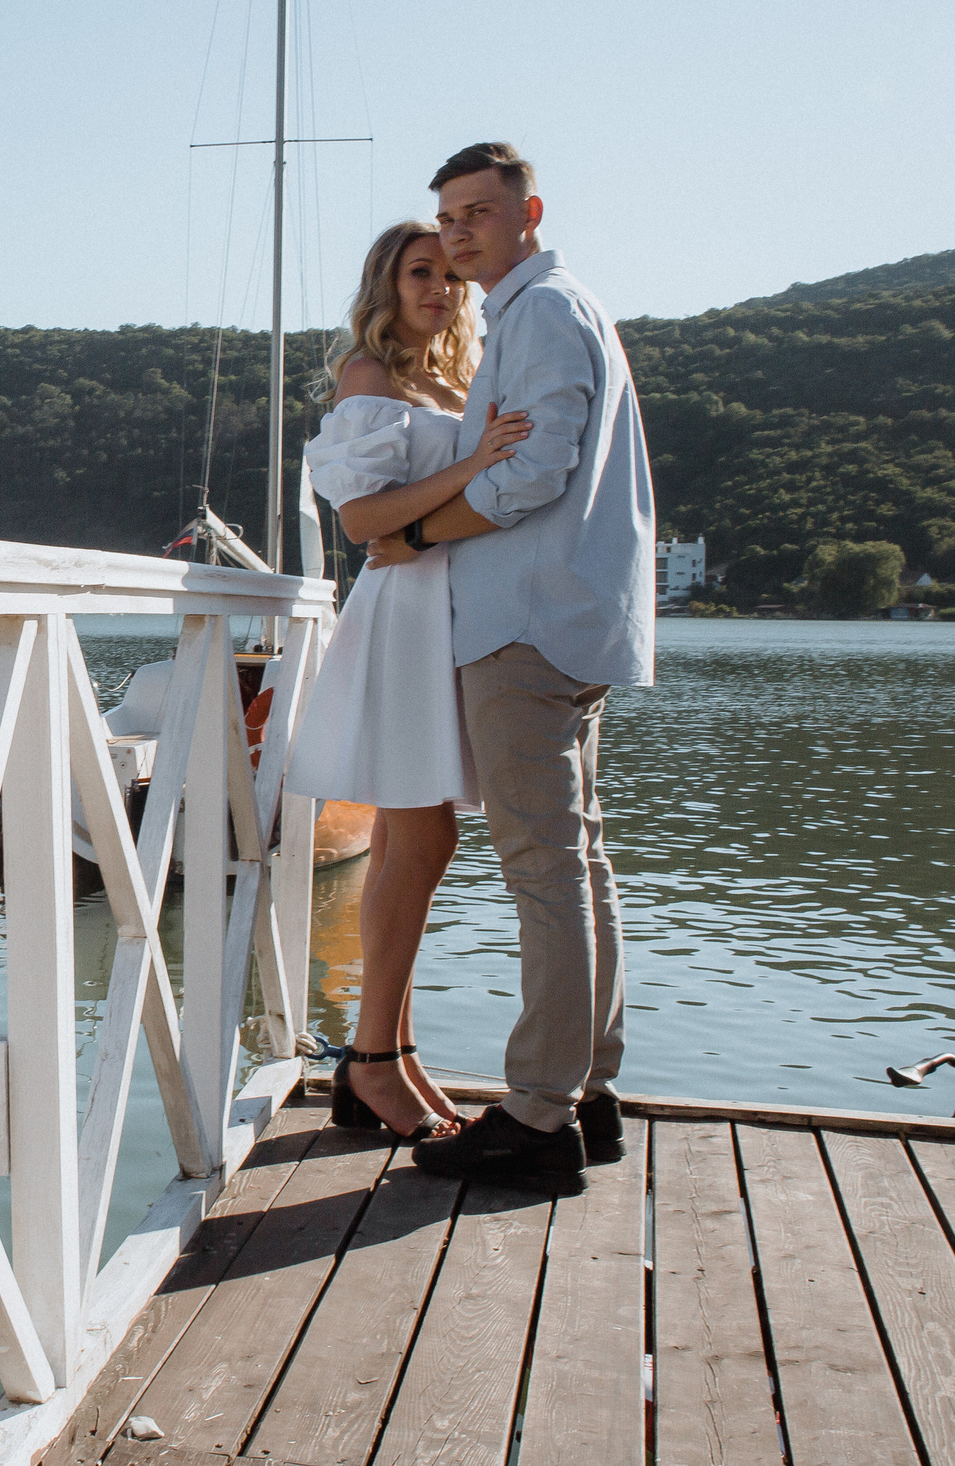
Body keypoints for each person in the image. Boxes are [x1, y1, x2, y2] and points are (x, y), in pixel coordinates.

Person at [367, 142, 656, 1192]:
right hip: (569, 617)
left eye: (477, 214)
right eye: (445, 218)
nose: (456, 234)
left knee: (544, 867)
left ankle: (537, 1120)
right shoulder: (551, 308)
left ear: (527, 211)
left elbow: (533, 473)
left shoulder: (537, 312)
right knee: (576, 863)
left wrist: (414, 535)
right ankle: (589, 1092)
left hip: (526, 622)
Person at [285, 220, 532, 1141]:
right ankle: (372, 1059)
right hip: (405, 617)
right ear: (384, 287)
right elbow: (360, 520)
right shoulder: (369, 376)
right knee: (421, 841)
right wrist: (474, 463)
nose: (439, 288)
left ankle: (391, 1050)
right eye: (418, 273)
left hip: (452, 612)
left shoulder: (456, 379)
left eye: (448, 275)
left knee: (406, 841)